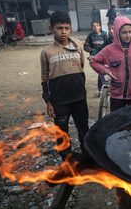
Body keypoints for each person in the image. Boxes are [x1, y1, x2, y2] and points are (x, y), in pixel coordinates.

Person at [40, 10, 89, 161]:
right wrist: (48, 100)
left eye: (67, 28)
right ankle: (67, 160)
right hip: (59, 100)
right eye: (59, 28)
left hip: (79, 97)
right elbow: (44, 78)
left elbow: (81, 65)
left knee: (84, 129)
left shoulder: (77, 44)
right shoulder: (46, 52)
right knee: (62, 132)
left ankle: (88, 157)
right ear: (51, 29)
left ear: (71, 28)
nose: (63, 31)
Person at [90, 17, 131, 112]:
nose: (128, 35)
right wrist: (106, 71)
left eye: (130, 32)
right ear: (117, 33)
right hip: (117, 97)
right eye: (124, 32)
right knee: (117, 122)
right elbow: (93, 61)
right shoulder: (109, 50)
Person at [84, 21, 108, 93]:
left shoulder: (104, 35)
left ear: (100, 27)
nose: (96, 28)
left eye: (97, 26)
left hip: (103, 56)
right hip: (94, 57)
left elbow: (108, 45)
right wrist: (94, 51)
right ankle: (102, 88)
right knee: (100, 71)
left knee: (101, 71)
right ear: (92, 28)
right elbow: (85, 47)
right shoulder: (90, 36)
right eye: (94, 26)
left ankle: (101, 88)